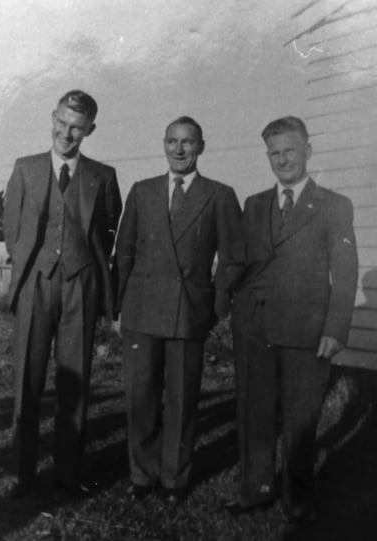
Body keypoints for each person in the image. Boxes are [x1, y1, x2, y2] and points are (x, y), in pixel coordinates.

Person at [225, 116, 358, 523]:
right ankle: (257, 490)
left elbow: (346, 270)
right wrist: (236, 312)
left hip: (307, 332)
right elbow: (242, 264)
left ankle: (297, 497)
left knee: (301, 419)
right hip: (256, 328)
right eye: (274, 153)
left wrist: (335, 329)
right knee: (256, 414)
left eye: (290, 151)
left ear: (307, 152)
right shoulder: (254, 204)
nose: (282, 160)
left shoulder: (334, 205)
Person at [115, 116, 242, 502]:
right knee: (141, 398)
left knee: (183, 400)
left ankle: (174, 479)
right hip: (142, 310)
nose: (179, 149)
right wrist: (119, 308)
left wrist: (215, 307)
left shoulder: (219, 194)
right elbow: (124, 252)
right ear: (164, 144)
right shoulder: (142, 191)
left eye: (188, 142)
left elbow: (234, 258)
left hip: (189, 312)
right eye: (172, 141)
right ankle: (141, 474)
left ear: (201, 147)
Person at [4, 90, 122, 498]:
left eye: (76, 127)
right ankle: (21, 471)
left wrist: (86, 272)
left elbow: (107, 233)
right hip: (36, 283)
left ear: (89, 129)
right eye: (61, 122)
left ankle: (68, 472)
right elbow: (12, 231)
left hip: (80, 285)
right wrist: (31, 270)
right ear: (51, 117)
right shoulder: (25, 169)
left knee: (76, 382)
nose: (66, 133)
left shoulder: (102, 176)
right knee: (28, 378)